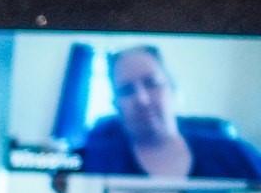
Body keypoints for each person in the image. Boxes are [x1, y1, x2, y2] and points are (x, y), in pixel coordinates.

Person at [78, 46, 261, 179]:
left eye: (151, 83)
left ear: (173, 90)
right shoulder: (94, 163)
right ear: (115, 105)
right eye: (127, 90)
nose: (142, 99)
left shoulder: (234, 153)